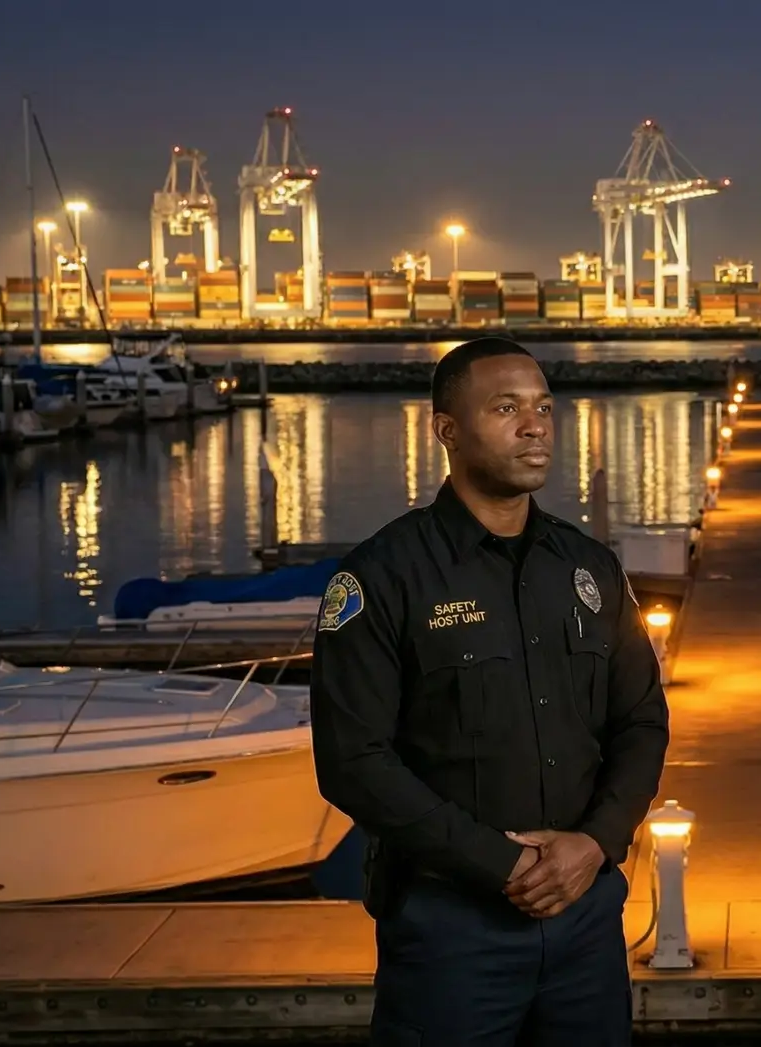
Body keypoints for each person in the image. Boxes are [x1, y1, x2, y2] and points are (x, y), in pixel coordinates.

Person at [311, 336, 669, 1046]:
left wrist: (596, 843)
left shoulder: (589, 567)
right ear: (446, 429)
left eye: (543, 408)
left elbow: (641, 722)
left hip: (586, 921)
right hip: (450, 927)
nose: (535, 426)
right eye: (506, 408)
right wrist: (503, 863)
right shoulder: (383, 576)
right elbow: (353, 761)